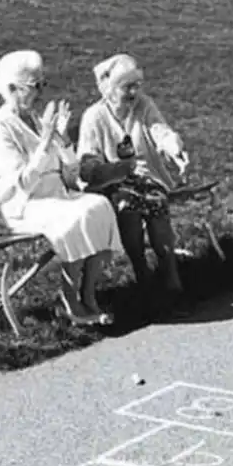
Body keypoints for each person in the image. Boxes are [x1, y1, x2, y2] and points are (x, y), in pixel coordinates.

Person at [0, 49, 124, 326]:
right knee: (76, 216)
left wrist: (62, 141)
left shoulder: (37, 120)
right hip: (21, 207)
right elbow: (20, 184)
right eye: (34, 86)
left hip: (55, 197)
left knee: (99, 205)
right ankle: (69, 300)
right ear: (11, 89)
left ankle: (88, 293)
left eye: (42, 84)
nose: (41, 93)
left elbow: (70, 176)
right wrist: (45, 144)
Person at [76, 53, 191, 304]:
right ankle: (141, 270)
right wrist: (118, 169)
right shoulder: (94, 117)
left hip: (146, 178)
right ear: (110, 89)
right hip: (111, 183)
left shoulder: (143, 105)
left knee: (155, 201)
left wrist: (174, 148)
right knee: (127, 205)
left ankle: (170, 272)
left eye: (137, 86)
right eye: (127, 87)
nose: (134, 92)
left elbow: (160, 130)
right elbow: (87, 164)